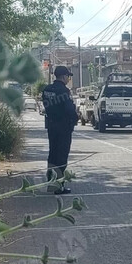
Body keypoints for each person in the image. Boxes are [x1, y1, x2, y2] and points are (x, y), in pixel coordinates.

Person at [42, 66, 78, 195]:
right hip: (63, 127)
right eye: (68, 76)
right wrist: (75, 118)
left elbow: (46, 106)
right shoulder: (64, 91)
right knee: (61, 157)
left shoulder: (47, 90)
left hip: (51, 126)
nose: (68, 78)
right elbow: (69, 110)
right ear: (63, 76)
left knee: (52, 154)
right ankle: (59, 185)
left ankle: (51, 183)